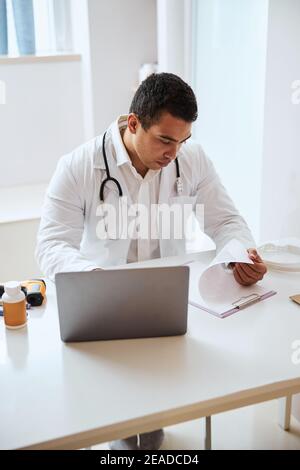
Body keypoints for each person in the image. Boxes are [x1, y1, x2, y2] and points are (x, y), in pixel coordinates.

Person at [36, 73, 267, 450]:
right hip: (101, 305)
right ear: (133, 123)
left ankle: (148, 428)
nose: (173, 152)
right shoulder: (78, 166)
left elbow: (226, 221)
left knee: (157, 414)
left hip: (168, 306)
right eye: (165, 139)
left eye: (182, 141)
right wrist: (95, 280)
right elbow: (51, 244)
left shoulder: (191, 159)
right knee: (117, 419)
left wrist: (239, 254)